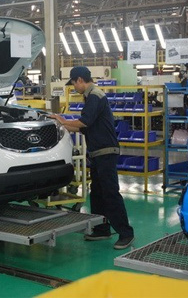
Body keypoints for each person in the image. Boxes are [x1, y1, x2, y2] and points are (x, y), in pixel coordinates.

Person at [48, 66, 135, 250]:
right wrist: (59, 124)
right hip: (97, 153)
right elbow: (81, 128)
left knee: (110, 192)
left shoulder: (95, 95)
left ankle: (126, 233)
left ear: (79, 80)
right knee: (97, 193)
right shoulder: (90, 97)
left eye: (72, 83)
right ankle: (101, 228)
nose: (73, 87)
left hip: (106, 152)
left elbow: (83, 122)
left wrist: (62, 120)